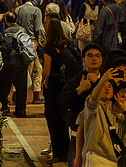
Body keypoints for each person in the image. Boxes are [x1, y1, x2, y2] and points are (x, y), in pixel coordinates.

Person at [75, 68, 126, 167]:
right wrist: (102, 80)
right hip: (96, 157)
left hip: (113, 160)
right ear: (116, 94)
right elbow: (92, 100)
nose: (124, 95)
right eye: (122, 91)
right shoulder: (99, 107)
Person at [42, 18, 74, 166]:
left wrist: (43, 78)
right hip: (65, 85)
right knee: (63, 120)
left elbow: (47, 71)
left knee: (54, 121)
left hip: (53, 87)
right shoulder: (66, 45)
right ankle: (66, 153)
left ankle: (59, 154)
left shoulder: (49, 48)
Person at [16, 0, 46, 103]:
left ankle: (37, 95)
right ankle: (16, 97)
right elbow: (38, 29)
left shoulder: (18, 9)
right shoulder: (36, 11)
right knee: (26, 70)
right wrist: (42, 42)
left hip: (20, 41)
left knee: (38, 69)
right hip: (32, 42)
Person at [0, 11, 31, 117]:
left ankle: (3, 107)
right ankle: (21, 109)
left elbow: (6, 47)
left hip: (11, 63)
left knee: (4, 85)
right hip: (23, 62)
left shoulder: (7, 31)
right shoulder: (22, 30)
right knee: (21, 87)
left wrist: (2, 52)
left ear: (6, 20)